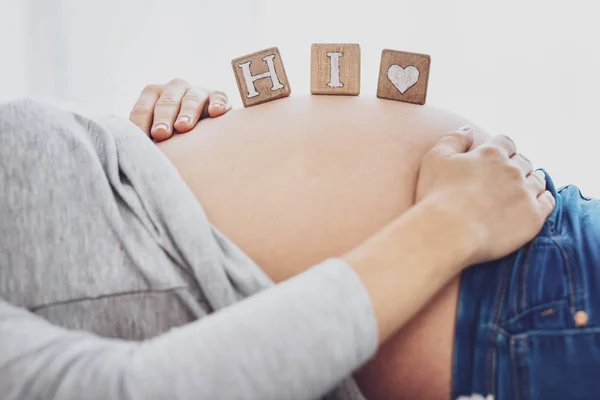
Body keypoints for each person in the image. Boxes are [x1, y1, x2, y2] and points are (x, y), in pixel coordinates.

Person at [0, 78, 554, 400]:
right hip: (499, 312)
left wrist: (148, 143)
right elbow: (135, 390)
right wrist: (448, 224)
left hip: (520, 237)